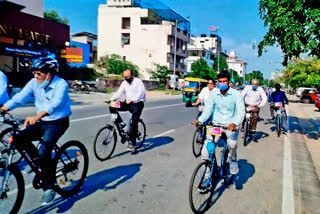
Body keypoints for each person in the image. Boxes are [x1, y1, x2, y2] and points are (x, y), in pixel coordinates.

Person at [0, 57, 71, 206]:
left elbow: (55, 104)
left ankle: (49, 186)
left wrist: (37, 116)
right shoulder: (34, 83)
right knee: (18, 138)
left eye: (39, 74)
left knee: (45, 150)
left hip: (57, 122)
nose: (36, 76)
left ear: (49, 74)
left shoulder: (61, 84)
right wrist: (4, 108)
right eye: (35, 73)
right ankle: (39, 163)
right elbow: (20, 97)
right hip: (42, 121)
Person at [193, 70, 245, 175]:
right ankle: (207, 179)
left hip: (230, 127)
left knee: (232, 143)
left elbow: (241, 112)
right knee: (206, 152)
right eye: (219, 81)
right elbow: (208, 109)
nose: (221, 84)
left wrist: (234, 123)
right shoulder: (214, 94)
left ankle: (232, 160)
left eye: (224, 81)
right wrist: (200, 120)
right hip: (216, 126)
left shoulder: (236, 95)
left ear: (229, 82)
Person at [107, 68, 146, 152]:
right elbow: (119, 93)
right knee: (112, 106)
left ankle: (132, 143)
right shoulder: (124, 82)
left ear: (132, 75)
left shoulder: (138, 82)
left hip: (137, 104)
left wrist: (133, 99)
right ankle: (122, 125)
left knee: (133, 123)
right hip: (127, 103)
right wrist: (111, 100)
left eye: (128, 77)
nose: (126, 78)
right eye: (125, 77)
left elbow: (141, 93)